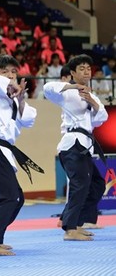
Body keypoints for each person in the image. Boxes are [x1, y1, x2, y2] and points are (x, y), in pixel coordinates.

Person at [0, 54, 43, 256]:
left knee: (15, 198)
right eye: (4, 72)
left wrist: (21, 101)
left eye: (13, 72)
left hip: (3, 152)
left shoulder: (13, 101)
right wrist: (10, 85)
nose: (10, 75)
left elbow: (29, 119)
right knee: (8, 198)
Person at [44, 54, 108, 241]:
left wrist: (91, 100)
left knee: (97, 184)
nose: (86, 71)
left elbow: (101, 118)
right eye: (81, 68)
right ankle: (70, 228)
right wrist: (74, 86)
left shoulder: (92, 96)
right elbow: (48, 88)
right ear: (72, 73)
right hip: (72, 144)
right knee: (80, 185)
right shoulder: (67, 92)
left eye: (88, 68)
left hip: (85, 145)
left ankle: (81, 222)